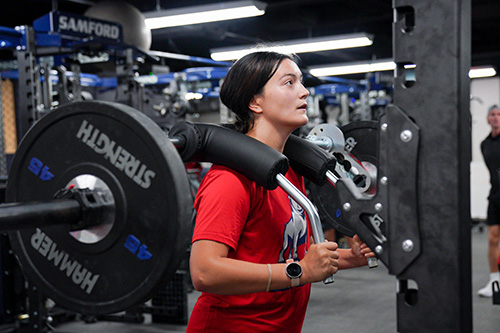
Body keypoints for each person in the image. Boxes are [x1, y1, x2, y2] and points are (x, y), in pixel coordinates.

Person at [187, 51, 375, 332]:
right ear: (255, 101)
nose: (304, 91)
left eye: (301, 81)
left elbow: (297, 256)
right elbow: (204, 272)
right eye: (289, 82)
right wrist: (298, 273)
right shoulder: (230, 179)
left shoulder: (289, 171)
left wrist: (352, 257)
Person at [478, 104, 500, 297]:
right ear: (487, 119)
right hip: (495, 195)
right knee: (493, 238)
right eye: (492, 115)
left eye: (499, 114)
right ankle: (495, 282)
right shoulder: (485, 144)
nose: (495, 117)